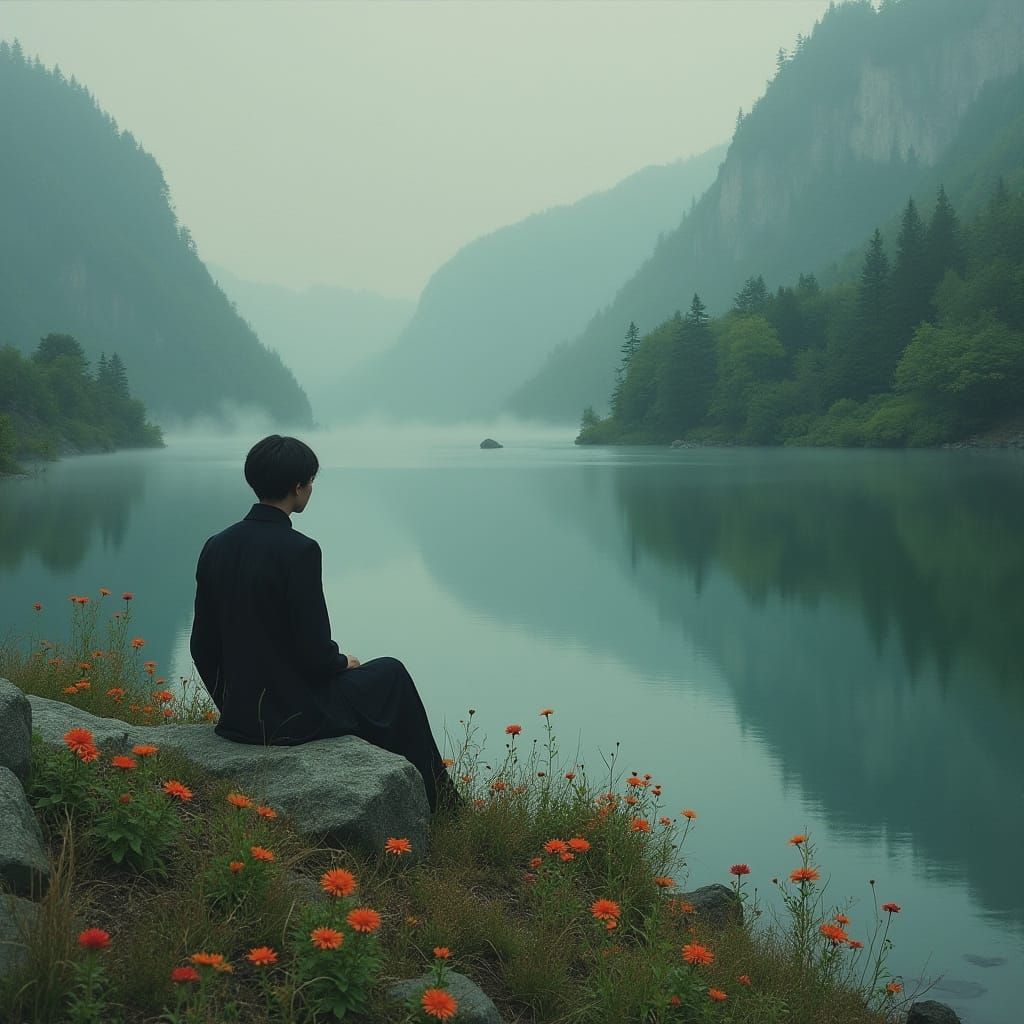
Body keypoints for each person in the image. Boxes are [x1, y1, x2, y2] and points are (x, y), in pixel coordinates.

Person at [189, 434, 459, 812]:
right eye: (310, 482)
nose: (311, 489)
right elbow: (315, 657)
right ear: (297, 488)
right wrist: (341, 662)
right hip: (293, 717)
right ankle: (441, 804)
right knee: (391, 675)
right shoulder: (299, 550)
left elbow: (201, 646)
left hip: (239, 718)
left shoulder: (215, 545)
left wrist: (235, 706)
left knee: (377, 682)